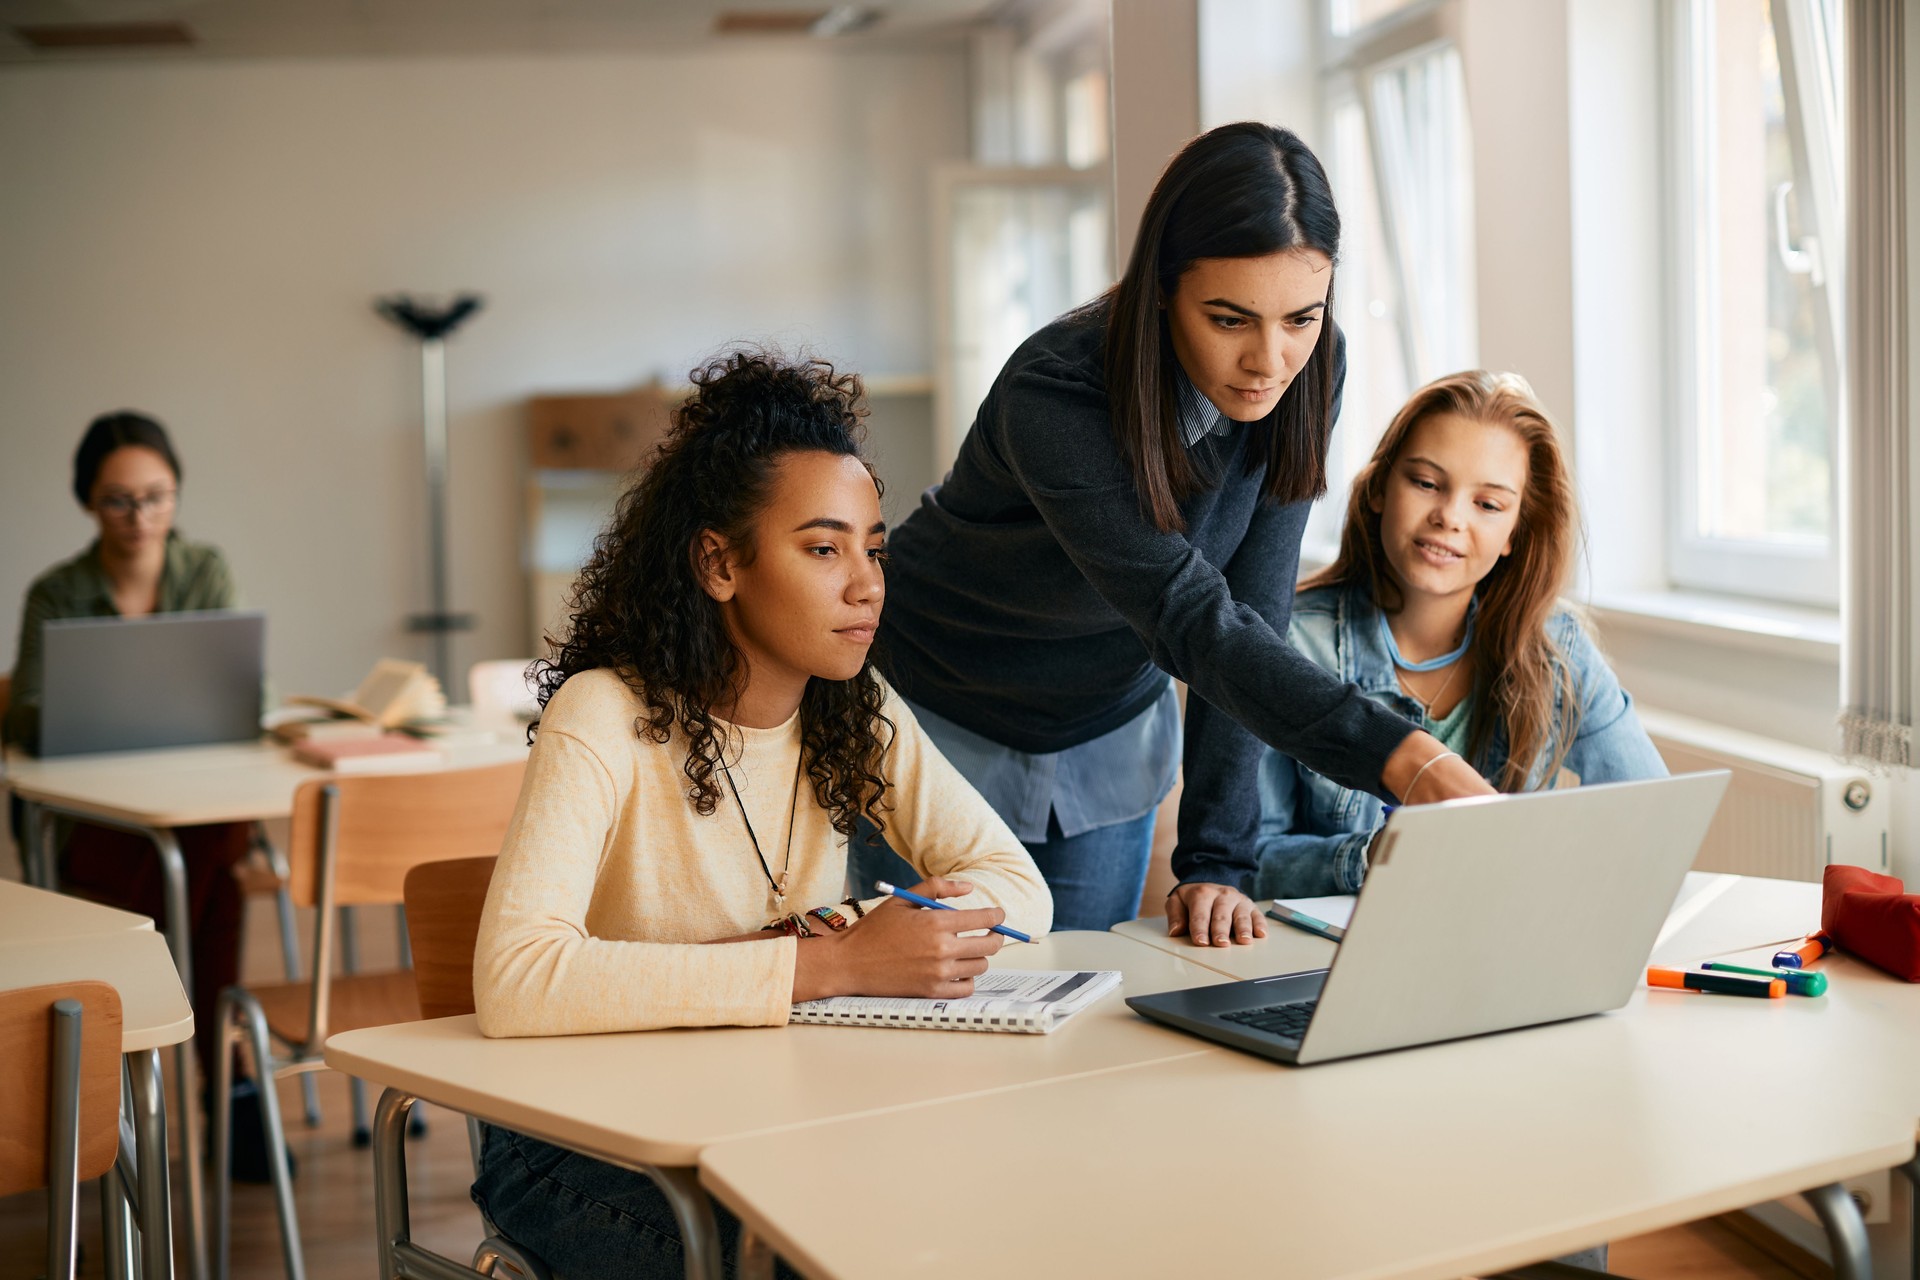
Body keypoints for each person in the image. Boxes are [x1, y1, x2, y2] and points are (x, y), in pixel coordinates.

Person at [470, 350, 1051, 1280]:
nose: (866, 584)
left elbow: (1018, 887)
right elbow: (516, 980)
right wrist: (837, 962)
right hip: (579, 1145)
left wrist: (857, 937)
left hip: (771, 1117)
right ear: (718, 562)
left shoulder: (856, 706)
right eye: (824, 549)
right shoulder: (604, 714)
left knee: (988, 1210)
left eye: (874, 547)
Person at [853, 121, 1492, 945]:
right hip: (937, 713)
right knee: (920, 1027)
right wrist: (1407, 756)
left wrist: (1217, 861)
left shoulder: (1310, 366)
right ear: (1161, 289)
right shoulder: (1056, 393)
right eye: (1230, 320)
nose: (1271, 360)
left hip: (1106, 731)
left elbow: (1249, 612)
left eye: (1301, 316)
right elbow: (1188, 616)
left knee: (1074, 1027)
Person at [1254, 370, 1667, 900]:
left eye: (1488, 504)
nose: (1449, 516)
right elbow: (1245, 862)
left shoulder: (1554, 645)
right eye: (1426, 483)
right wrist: (1373, 856)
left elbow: (1650, 814)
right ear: (1380, 487)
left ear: (1516, 531)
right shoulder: (1287, 641)